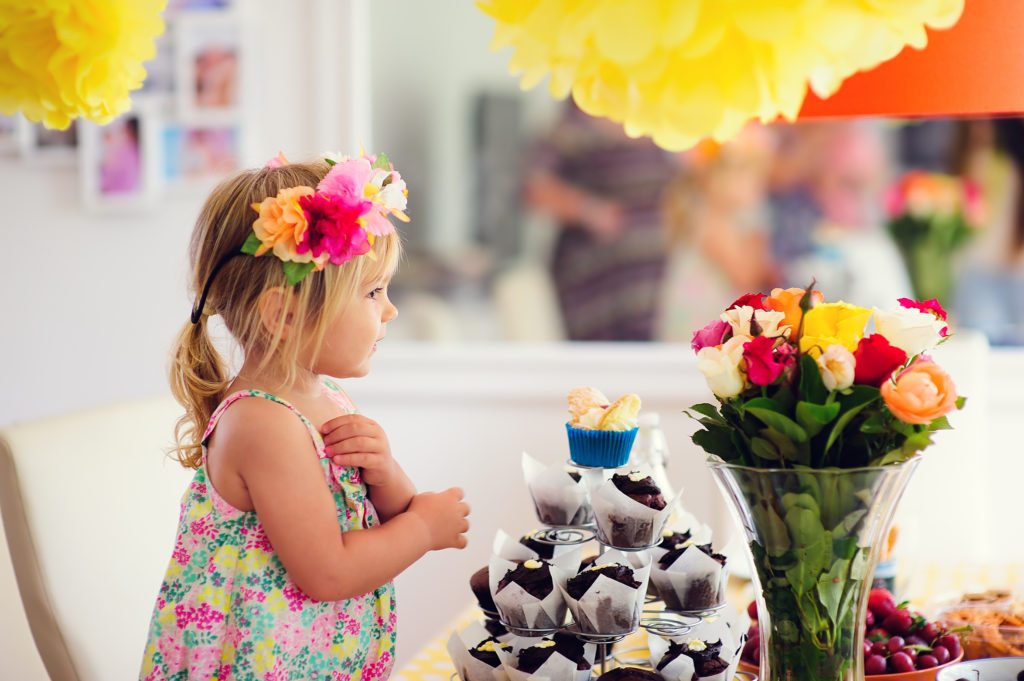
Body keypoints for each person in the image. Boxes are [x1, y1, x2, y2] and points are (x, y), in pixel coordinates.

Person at [139, 155, 470, 680]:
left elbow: (393, 511)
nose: (390, 310)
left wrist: (382, 469)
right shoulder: (261, 424)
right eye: (372, 292)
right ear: (284, 315)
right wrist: (425, 529)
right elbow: (328, 571)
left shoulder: (327, 397)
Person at [524, 101, 679, 341]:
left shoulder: (652, 116)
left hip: (648, 284)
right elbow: (534, 186)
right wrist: (589, 210)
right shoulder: (577, 122)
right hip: (597, 281)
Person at [657, 125, 778, 342]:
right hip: (702, 321)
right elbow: (746, 277)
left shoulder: (722, 219)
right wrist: (758, 230)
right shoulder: (714, 223)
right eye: (752, 178)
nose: (758, 188)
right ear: (717, 180)